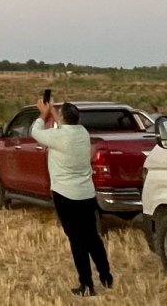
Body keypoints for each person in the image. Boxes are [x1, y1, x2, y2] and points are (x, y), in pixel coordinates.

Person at [31, 98, 113, 297]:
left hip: (65, 195)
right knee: (93, 238)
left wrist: (43, 113)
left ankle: (86, 284)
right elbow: (64, 125)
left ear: (64, 120)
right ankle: (106, 276)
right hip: (86, 194)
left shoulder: (59, 136)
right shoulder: (83, 133)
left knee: (77, 241)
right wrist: (53, 111)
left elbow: (35, 132)